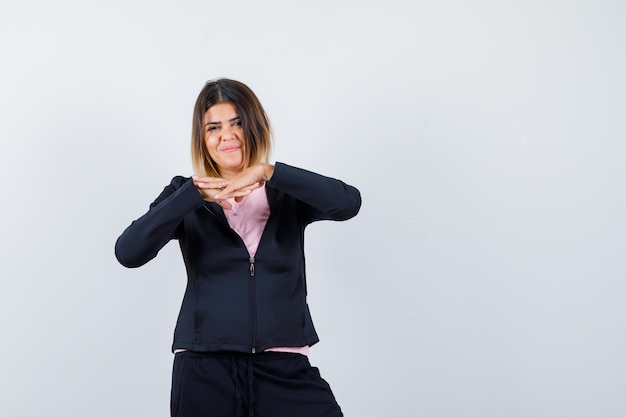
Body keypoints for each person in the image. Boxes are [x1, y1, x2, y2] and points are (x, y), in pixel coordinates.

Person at [115, 78, 361, 417]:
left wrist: (269, 173)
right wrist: (190, 197)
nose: (226, 135)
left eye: (237, 123)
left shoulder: (287, 194)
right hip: (204, 369)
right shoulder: (183, 195)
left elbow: (348, 203)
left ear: (254, 126)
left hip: (284, 366)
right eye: (213, 127)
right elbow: (128, 252)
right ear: (202, 139)